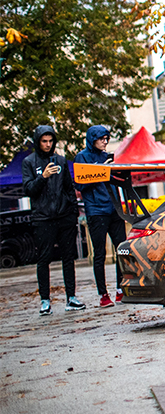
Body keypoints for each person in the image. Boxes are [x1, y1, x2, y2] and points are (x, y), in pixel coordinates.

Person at [21, 125, 85, 315]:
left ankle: (71, 298)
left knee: (68, 258)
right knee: (44, 259)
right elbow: (28, 190)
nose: (48, 145)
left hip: (64, 216)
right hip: (43, 218)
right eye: (44, 141)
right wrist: (43, 176)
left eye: (50, 141)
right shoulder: (29, 162)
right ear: (38, 141)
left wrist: (73, 211)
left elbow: (68, 187)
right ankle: (45, 301)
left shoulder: (61, 160)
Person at [74, 126, 126, 307]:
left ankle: (121, 289)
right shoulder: (82, 157)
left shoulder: (107, 157)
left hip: (114, 209)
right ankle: (103, 294)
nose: (105, 141)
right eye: (101, 139)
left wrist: (115, 171)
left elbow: (117, 180)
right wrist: (100, 172)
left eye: (107, 138)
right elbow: (80, 184)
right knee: (100, 253)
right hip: (96, 210)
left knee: (121, 249)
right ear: (92, 140)